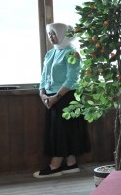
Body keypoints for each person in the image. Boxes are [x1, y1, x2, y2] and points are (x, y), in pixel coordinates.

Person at [34, 22, 90, 178]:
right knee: (61, 131)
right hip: (50, 97)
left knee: (62, 132)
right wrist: (42, 94)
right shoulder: (50, 53)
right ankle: (71, 163)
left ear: (63, 34)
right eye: (49, 33)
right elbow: (44, 76)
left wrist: (56, 97)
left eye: (54, 33)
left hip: (67, 96)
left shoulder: (72, 53)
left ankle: (55, 166)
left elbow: (72, 79)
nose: (51, 36)